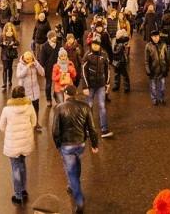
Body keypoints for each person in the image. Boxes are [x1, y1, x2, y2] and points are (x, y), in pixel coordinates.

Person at [52, 85, 99, 214]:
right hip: (80, 144)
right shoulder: (85, 107)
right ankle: (74, 185)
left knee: (71, 171)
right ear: (76, 94)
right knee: (77, 164)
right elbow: (92, 128)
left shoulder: (60, 108)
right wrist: (94, 145)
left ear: (66, 94)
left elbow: (55, 130)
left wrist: (58, 144)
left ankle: (79, 200)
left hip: (66, 145)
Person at [0, 85, 37, 204]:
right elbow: (34, 122)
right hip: (25, 142)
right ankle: (24, 190)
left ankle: (18, 195)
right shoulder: (29, 107)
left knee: (15, 168)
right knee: (22, 165)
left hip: (13, 144)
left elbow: (2, 126)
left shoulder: (7, 110)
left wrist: (10, 132)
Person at [81, 36, 114, 138]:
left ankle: (104, 129)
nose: (95, 46)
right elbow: (83, 72)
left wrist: (108, 83)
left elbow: (107, 69)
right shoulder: (87, 55)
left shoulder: (104, 55)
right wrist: (85, 87)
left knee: (102, 106)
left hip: (100, 85)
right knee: (89, 107)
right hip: (90, 86)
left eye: (97, 44)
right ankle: (87, 129)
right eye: (94, 44)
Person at [16, 51, 46, 132]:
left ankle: (36, 123)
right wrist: (27, 67)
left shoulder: (35, 62)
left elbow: (42, 72)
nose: (29, 60)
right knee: (26, 109)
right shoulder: (20, 65)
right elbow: (19, 75)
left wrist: (37, 65)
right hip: (25, 90)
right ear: (24, 58)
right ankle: (27, 124)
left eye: (30, 59)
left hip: (35, 89)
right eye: (27, 59)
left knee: (36, 108)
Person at [145, 30, 170, 106]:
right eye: (154, 36)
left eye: (157, 36)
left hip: (162, 69)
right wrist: (148, 70)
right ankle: (154, 99)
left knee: (162, 86)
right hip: (153, 69)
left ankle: (161, 99)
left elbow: (167, 57)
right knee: (153, 86)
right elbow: (146, 60)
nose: (156, 38)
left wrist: (167, 67)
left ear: (159, 36)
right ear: (151, 37)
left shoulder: (163, 44)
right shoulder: (148, 46)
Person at [39, 31, 61, 107]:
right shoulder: (44, 46)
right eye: (52, 37)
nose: (54, 38)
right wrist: (42, 69)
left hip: (57, 67)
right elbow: (42, 59)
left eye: (55, 36)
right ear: (49, 38)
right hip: (48, 68)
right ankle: (48, 99)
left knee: (57, 83)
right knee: (48, 84)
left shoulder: (58, 44)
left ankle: (55, 96)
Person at [0, 23, 20, 91]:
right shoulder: (3, 35)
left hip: (11, 53)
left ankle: (9, 80)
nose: (9, 29)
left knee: (10, 67)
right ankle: (4, 83)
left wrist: (13, 43)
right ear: (6, 28)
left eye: (10, 28)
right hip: (4, 53)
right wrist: (3, 43)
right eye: (8, 28)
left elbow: (18, 43)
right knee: (5, 68)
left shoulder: (14, 35)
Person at [111, 29, 131, 93]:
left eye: (118, 34)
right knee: (116, 73)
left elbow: (116, 51)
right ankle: (116, 85)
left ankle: (127, 87)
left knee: (124, 74)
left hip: (121, 60)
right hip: (115, 60)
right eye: (117, 34)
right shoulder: (114, 40)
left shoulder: (123, 41)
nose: (116, 35)